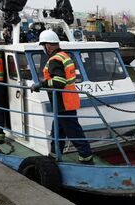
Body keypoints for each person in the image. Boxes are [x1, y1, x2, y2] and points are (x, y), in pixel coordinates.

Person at [30, 29, 93, 163]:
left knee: (73, 130)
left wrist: (41, 84)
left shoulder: (54, 60)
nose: (43, 48)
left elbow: (59, 81)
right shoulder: (64, 55)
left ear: (47, 45)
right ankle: (54, 153)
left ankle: (86, 155)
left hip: (62, 101)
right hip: (66, 100)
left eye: (43, 45)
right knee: (58, 129)